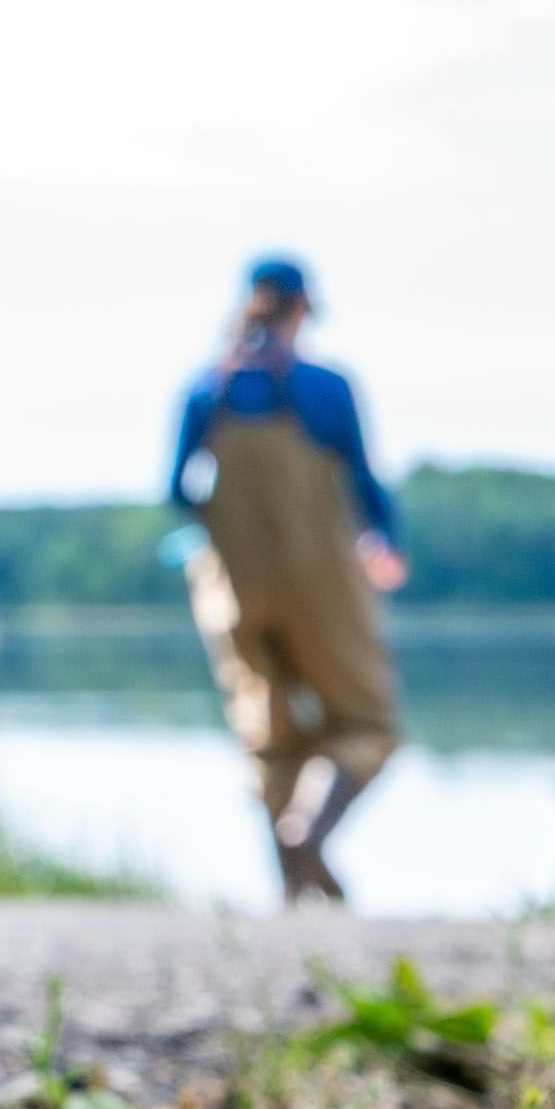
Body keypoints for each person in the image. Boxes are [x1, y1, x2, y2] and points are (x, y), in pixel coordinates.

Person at [167, 257, 405, 906]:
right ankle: (310, 831)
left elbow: (178, 493)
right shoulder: (326, 387)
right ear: (303, 308)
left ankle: (290, 894)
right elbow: (364, 480)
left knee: (268, 736)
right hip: (321, 580)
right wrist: (385, 540)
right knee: (365, 721)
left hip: (233, 589)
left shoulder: (203, 389)